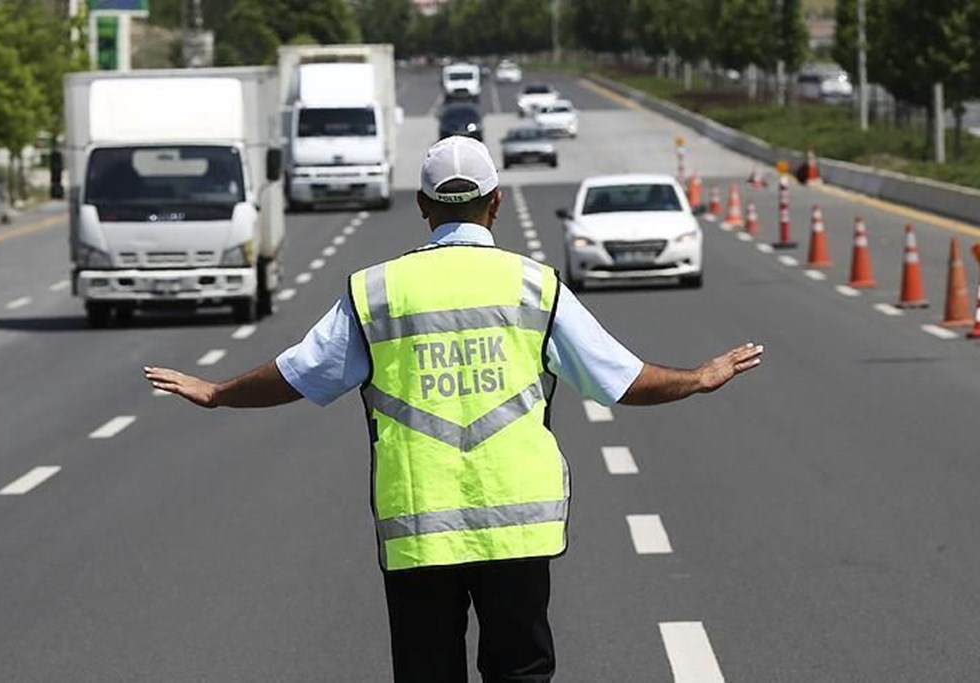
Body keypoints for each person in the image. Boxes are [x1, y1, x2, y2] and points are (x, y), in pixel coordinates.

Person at [144, 136, 764, 682]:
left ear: (422, 207)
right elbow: (620, 381)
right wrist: (700, 377)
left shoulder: (378, 290)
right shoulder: (533, 285)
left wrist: (218, 392)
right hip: (518, 526)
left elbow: (300, 373)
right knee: (520, 671)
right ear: (494, 204)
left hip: (419, 525)